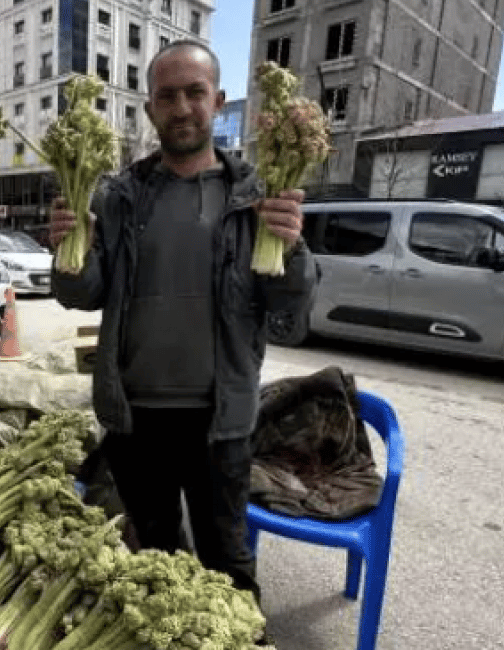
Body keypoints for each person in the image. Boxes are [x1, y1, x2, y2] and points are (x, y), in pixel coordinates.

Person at [48, 39, 315, 601]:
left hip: (220, 422)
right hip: (134, 418)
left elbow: (289, 311)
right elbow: (83, 294)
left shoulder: (258, 197)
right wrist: (69, 255)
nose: (182, 107)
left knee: (228, 562)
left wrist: (292, 251)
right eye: (166, 96)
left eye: (195, 93)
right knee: (158, 552)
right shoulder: (117, 197)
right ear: (150, 110)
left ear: (218, 101)